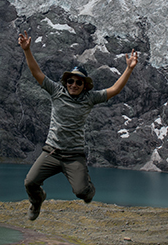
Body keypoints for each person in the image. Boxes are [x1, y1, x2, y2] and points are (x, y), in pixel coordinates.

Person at [18, 31, 139, 220]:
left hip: (74, 155)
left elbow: (114, 90)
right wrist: (27, 50)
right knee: (30, 182)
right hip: (51, 152)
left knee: (83, 193)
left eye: (78, 82)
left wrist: (129, 69)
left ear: (84, 86)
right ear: (66, 82)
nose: (74, 84)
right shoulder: (56, 91)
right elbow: (36, 72)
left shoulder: (89, 99)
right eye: (71, 81)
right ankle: (37, 201)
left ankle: (87, 187)